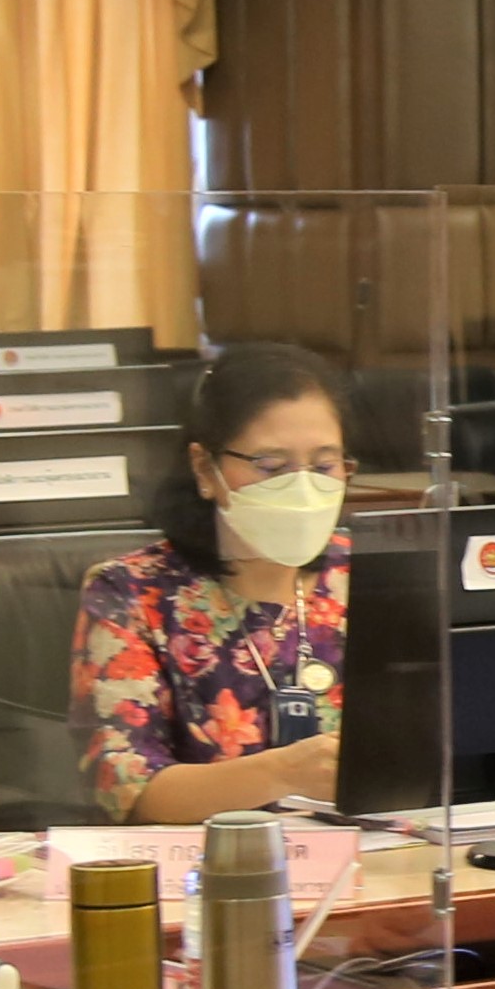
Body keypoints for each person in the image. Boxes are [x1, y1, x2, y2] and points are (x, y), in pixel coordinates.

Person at [73, 339, 352, 819]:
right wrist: (283, 772)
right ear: (205, 469)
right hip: (217, 856)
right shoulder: (131, 593)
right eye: (272, 467)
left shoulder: (371, 574)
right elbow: (127, 786)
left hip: (384, 850)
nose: (303, 487)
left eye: (324, 466)